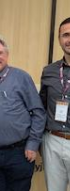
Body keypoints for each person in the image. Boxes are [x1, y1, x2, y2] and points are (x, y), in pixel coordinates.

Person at [0, 35, 46, 191]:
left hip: (19, 153)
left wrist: (33, 144)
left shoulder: (21, 78)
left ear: (7, 55)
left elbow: (38, 113)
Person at [40, 17, 70, 191]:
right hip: (53, 140)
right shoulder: (49, 71)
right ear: (59, 39)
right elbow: (41, 106)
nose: (69, 39)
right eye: (65, 35)